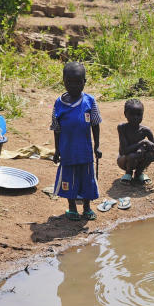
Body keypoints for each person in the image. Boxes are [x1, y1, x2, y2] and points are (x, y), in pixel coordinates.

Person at [51, 61, 101, 221]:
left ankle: (87, 208)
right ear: (63, 81)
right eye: (69, 82)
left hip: (85, 152)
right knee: (68, 180)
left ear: (84, 82)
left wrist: (97, 147)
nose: (73, 86)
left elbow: (95, 124)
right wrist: (57, 150)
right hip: (67, 151)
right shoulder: (59, 103)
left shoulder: (90, 101)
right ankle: (72, 208)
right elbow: (56, 129)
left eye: (78, 82)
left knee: (87, 180)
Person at [116, 99, 154, 184]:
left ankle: (139, 173)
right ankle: (128, 173)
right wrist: (142, 143)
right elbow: (124, 151)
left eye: (139, 114)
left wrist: (146, 148)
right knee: (133, 155)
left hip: (139, 159)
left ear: (143, 115)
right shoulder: (122, 128)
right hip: (124, 160)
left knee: (150, 154)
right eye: (132, 114)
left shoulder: (145, 130)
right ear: (125, 114)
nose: (135, 117)